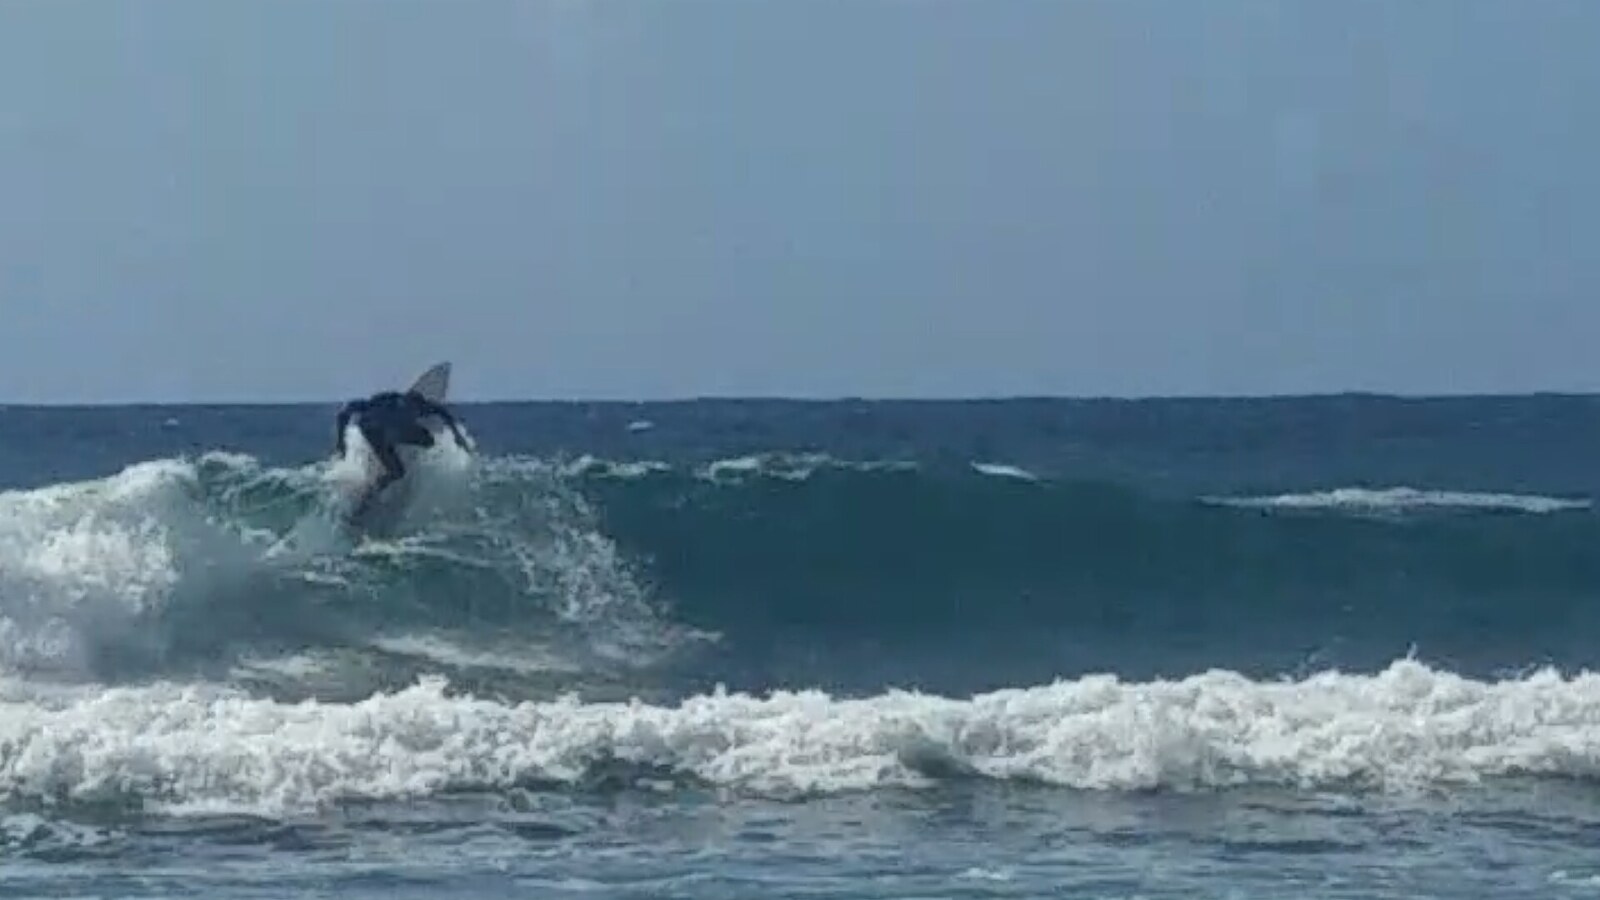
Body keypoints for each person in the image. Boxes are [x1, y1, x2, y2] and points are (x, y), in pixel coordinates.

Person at [334, 389, 470, 516]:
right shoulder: (398, 403)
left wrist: (457, 435)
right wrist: (341, 441)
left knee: (422, 444)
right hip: (377, 431)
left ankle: (378, 479)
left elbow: (342, 414)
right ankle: (370, 495)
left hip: (381, 430)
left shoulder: (410, 405)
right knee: (400, 469)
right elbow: (345, 412)